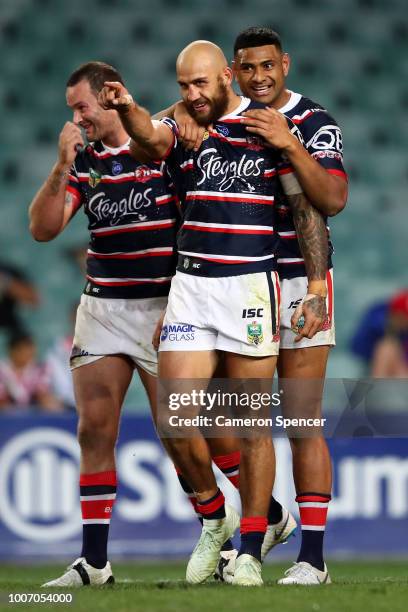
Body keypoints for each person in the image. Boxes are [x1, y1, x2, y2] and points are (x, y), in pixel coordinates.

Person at [99, 39, 329, 586]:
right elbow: (149, 143)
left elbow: (306, 209)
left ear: (226, 76)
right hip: (192, 286)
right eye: (184, 86)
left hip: (250, 285)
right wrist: (131, 107)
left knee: (252, 425)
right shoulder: (178, 123)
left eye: (201, 83)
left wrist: (316, 286)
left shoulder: (267, 128)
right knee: (176, 415)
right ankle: (215, 516)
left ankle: (251, 545)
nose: (193, 94)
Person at [166, 28, 348, 585]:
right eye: (248, 69)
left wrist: (289, 141)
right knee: (217, 416)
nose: (259, 77)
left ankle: (311, 558)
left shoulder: (313, 122)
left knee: (299, 419)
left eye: (268, 66)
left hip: (298, 282)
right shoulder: (219, 119)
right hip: (233, 282)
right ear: (233, 74)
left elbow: (331, 200)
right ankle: (266, 517)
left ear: (285, 65)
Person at [29, 61, 179, 587]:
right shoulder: (84, 162)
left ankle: (248, 529)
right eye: (72, 109)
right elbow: (43, 229)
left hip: (165, 309)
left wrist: (184, 305)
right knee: (94, 430)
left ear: (109, 99)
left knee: (182, 433)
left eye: (82, 107)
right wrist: (59, 165)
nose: (76, 117)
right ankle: (94, 563)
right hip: (104, 307)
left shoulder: (160, 149)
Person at [0, 333, 61, 411]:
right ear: (12, 351)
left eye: (31, 349)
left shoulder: (40, 369)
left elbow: (43, 395)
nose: (29, 353)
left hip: (32, 417)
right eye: (23, 349)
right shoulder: (2, 370)